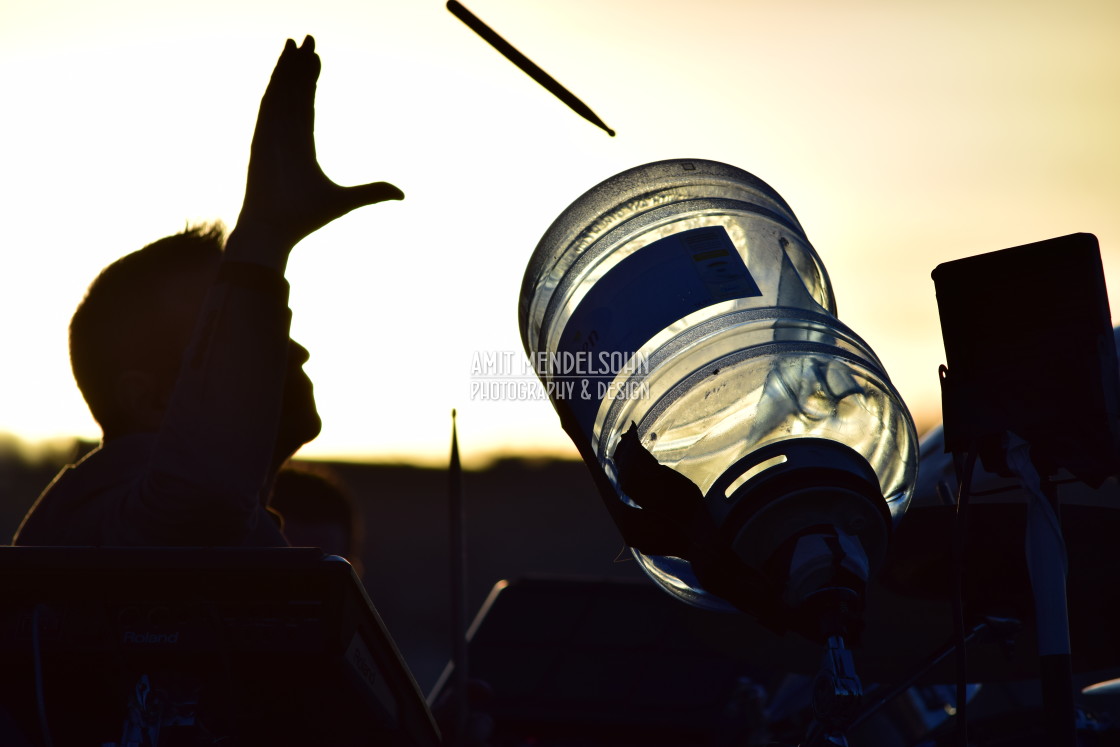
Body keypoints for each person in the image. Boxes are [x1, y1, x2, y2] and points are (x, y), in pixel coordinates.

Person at [13, 36, 402, 546]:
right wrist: (262, 235)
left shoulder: (214, 533)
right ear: (149, 399)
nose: (294, 352)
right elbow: (200, 497)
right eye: (228, 338)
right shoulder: (98, 535)